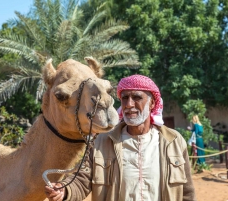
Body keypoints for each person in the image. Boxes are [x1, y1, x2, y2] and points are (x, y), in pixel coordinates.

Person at [44, 75, 196, 201]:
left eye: (137, 97)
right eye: (125, 98)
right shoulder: (102, 142)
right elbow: (82, 179)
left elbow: (187, 192)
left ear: (152, 103)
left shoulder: (173, 141)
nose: (129, 104)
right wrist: (65, 190)